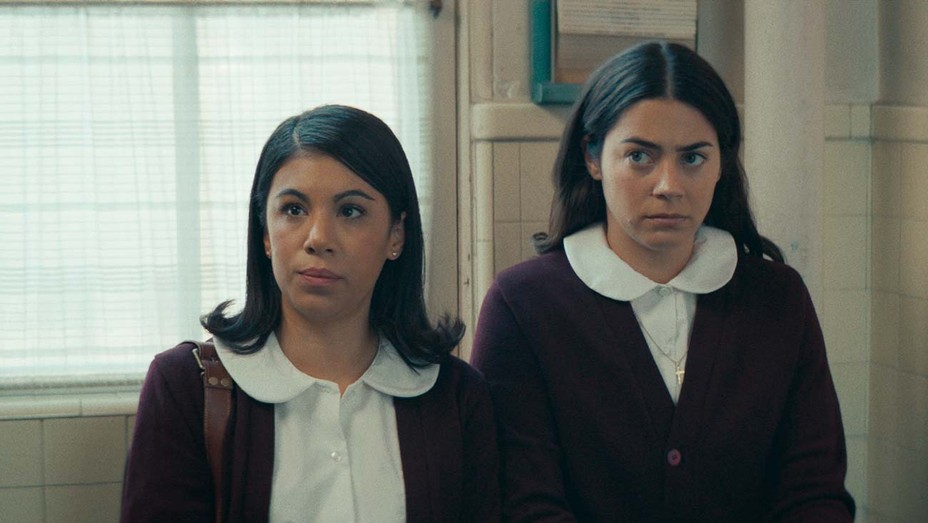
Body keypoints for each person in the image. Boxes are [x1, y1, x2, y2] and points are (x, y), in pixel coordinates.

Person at [470, 41, 855, 522]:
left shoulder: (777, 299)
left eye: (693, 158)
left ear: (721, 163)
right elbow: (523, 505)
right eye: (640, 157)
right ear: (592, 157)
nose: (669, 185)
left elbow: (814, 492)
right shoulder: (523, 305)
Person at [121, 105, 500, 522]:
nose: (318, 238)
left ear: (396, 235)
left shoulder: (456, 398)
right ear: (265, 234)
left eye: (350, 211)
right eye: (294, 210)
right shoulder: (185, 387)